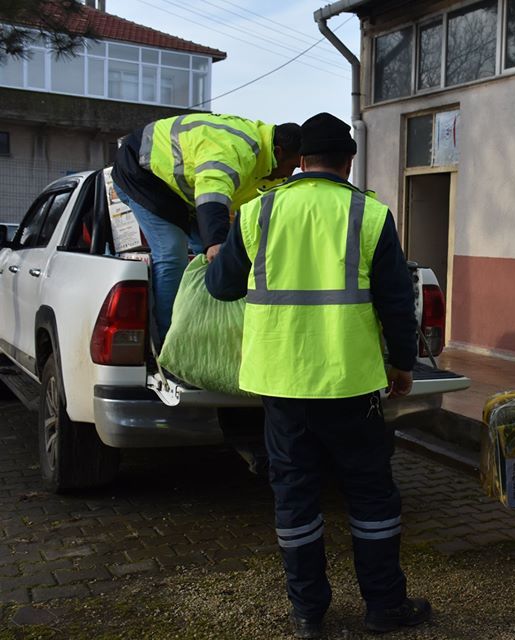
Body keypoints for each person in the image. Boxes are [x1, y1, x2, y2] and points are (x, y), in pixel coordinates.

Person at [204, 112, 431, 638]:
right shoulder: (369, 214)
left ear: (299, 161)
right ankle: (383, 606)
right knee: (371, 494)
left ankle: (308, 613)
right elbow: (398, 303)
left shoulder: (257, 212)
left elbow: (221, 288)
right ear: (348, 162)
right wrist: (401, 364)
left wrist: (220, 251)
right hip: (350, 382)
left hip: (281, 384)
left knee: (295, 496)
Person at [111, 113, 302, 345]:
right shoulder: (237, 147)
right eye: (292, 167)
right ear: (279, 152)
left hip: (182, 192)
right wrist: (215, 242)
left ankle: (202, 328)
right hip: (142, 172)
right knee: (172, 254)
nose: (290, 175)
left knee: (218, 257)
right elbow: (213, 191)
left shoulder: (269, 172)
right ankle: (170, 343)